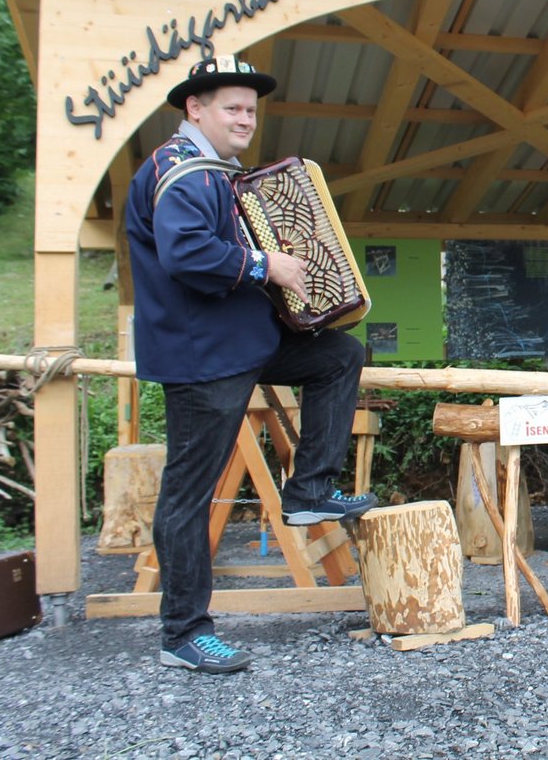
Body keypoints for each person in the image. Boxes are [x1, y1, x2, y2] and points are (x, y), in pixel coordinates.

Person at [126, 55, 376, 674]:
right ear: (195, 109)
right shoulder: (180, 172)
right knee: (190, 493)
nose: (245, 118)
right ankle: (183, 633)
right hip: (202, 356)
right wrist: (269, 266)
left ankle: (309, 490)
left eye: (250, 109)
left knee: (339, 353)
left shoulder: (222, 177)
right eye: (231, 108)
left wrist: (290, 277)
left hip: (246, 343)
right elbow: (185, 254)